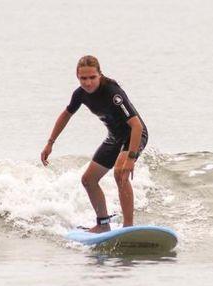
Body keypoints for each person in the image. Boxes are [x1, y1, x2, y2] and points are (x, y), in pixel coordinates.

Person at [41, 55, 148, 233]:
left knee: (120, 173)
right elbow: (66, 114)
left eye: (92, 77)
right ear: (77, 77)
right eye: (83, 78)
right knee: (88, 180)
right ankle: (103, 224)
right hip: (114, 137)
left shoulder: (113, 93)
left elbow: (136, 126)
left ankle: (128, 227)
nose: (88, 83)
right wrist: (50, 143)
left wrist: (131, 158)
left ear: (100, 75)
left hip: (134, 135)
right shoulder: (80, 94)